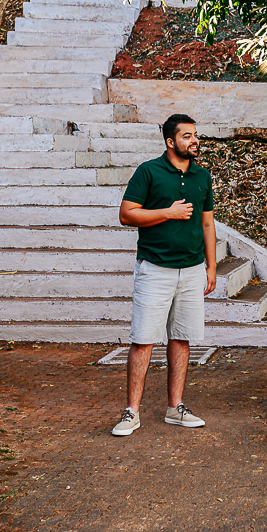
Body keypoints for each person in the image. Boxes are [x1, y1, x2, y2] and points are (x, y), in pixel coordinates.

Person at [111, 114, 217, 436]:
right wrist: (168, 212)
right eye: (186, 136)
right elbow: (126, 214)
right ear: (170, 142)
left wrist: (211, 267)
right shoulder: (149, 172)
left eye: (195, 135)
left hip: (192, 270)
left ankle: (176, 408)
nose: (194, 141)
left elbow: (208, 223)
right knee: (143, 340)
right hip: (155, 269)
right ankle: (131, 412)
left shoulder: (202, 176)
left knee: (181, 338)